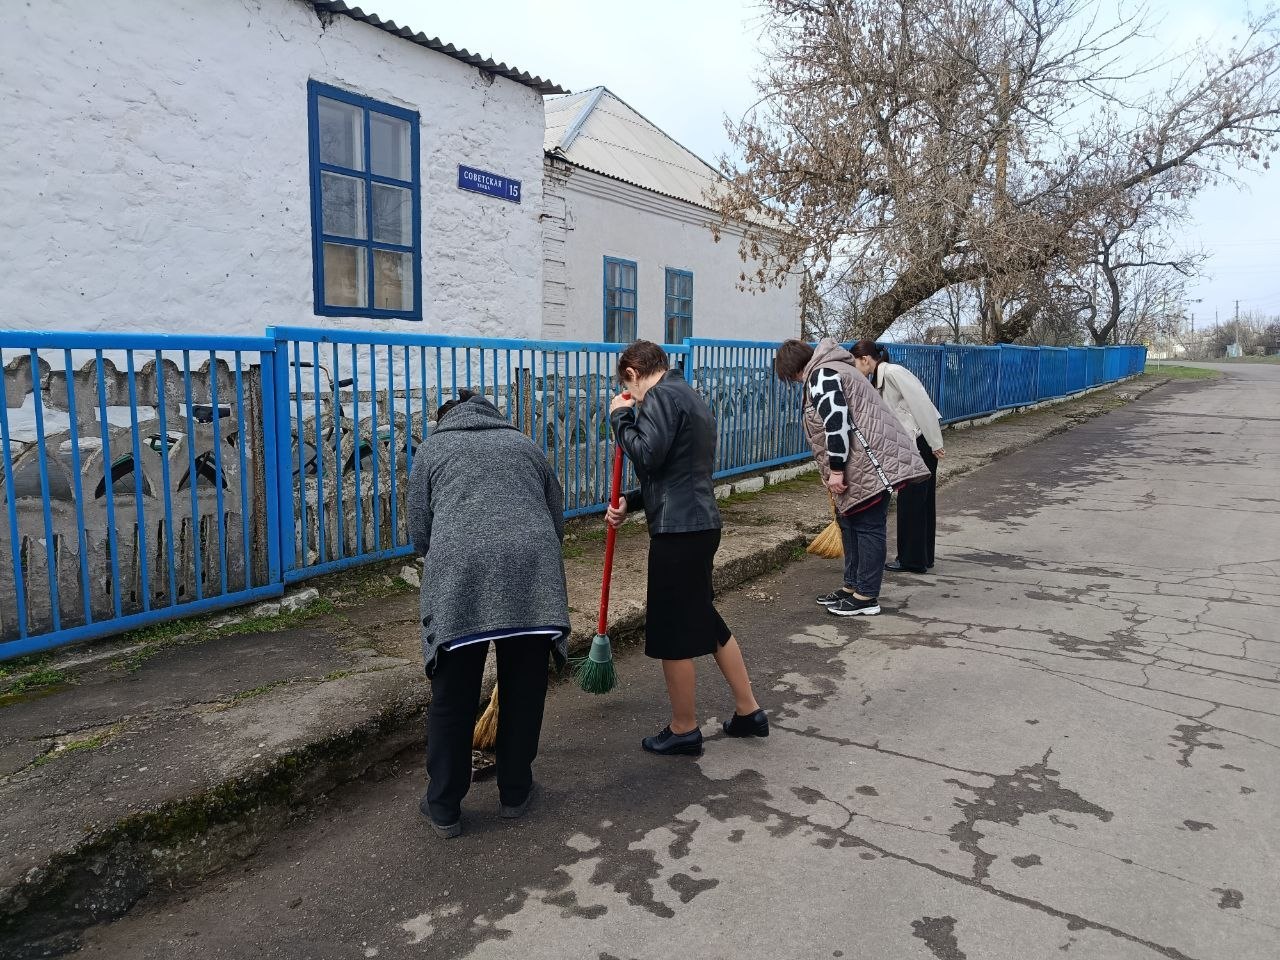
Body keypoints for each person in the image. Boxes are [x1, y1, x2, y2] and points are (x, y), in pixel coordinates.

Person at [408, 389, 570, 839]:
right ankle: (515, 792)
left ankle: (444, 806)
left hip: (463, 580)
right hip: (532, 577)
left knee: (453, 696)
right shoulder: (525, 444)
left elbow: (420, 532)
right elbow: (556, 519)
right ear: (492, 414)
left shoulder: (434, 448)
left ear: (446, 419)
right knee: (525, 689)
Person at [606, 340, 767, 757]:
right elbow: (676, 469)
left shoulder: (659, 396)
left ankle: (684, 728)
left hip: (678, 533)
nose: (630, 395)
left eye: (627, 386)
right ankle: (748, 710)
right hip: (699, 524)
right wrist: (631, 501)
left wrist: (621, 418)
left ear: (632, 374)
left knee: (672, 630)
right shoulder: (689, 395)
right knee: (705, 619)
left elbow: (648, 455)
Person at [774, 338, 929, 617]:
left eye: (791, 376)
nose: (795, 382)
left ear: (795, 368)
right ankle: (852, 587)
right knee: (851, 525)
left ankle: (866, 596)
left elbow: (836, 424)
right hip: (864, 462)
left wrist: (835, 470)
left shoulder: (822, 375)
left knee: (867, 527)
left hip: (866, 465)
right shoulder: (838, 369)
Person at [850, 341, 945, 574]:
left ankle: (912, 560)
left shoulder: (893, 372)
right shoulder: (880, 379)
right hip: (914, 442)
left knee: (912, 502)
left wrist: (935, 442)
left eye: (855, 363)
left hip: (919, 442)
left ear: (865, 359)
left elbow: (922, 404)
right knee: (920, 501)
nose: (854, 368)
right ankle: (921, 558)